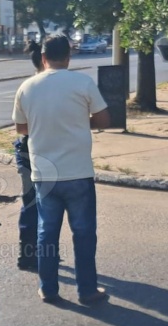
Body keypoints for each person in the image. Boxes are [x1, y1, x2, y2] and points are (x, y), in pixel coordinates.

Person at [11, 35, 111, 305]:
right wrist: (78, 122)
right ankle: (87, 291)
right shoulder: (83, 83)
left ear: (43, 58)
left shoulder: (27, 87)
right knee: (84, 234)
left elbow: (21, 128)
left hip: (44, 174)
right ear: (68, 57)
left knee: (46, 233)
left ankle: (48, 288)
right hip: (78, 172)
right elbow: (104, 119)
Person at [13, 40, 44, 271]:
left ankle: (28, 253)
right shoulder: (46, 88)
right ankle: (38, 252)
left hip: (26, 151)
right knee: (44, 206)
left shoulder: (27, 87)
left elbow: (20, 128)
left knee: (30, 203)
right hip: (43, 153)